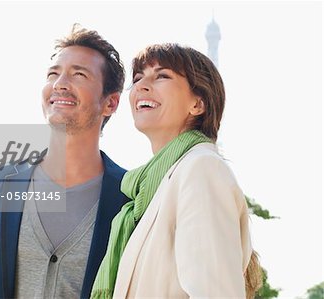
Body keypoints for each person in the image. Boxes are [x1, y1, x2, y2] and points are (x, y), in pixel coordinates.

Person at [0, 25, 129, 299]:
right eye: (53, 74)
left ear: (111, 103)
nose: (60, 83)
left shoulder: (130, 198)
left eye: (79, 74)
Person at [91, 43, 262, 299]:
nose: (141, 86)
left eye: (162, 76)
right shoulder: (150, 190)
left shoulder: (201, 168)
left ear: (198, 104)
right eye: (138, 78)